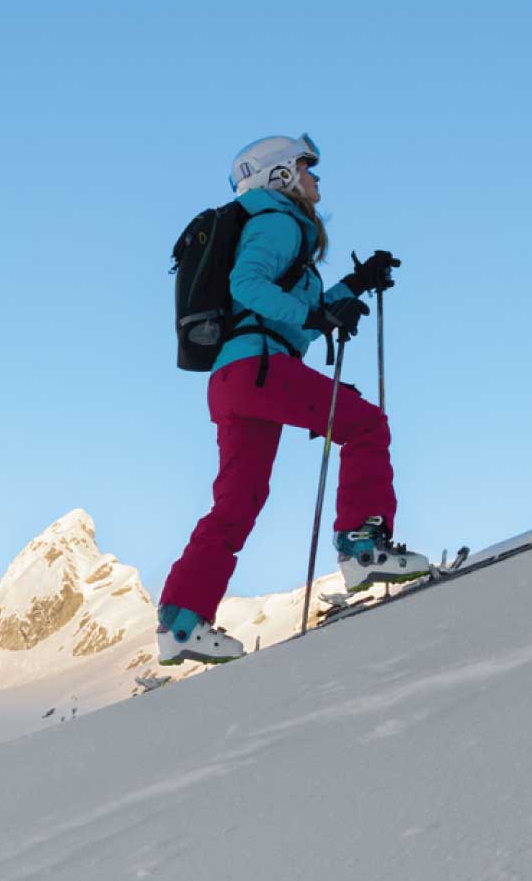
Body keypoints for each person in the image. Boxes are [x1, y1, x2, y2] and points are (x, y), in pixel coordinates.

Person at [156, 134, 427, 667]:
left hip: (234, 378)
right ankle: (363, 547)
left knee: (237, 503)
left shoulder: (270, 225)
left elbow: (291, 305)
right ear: (280, 175)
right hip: (261, 365)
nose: (316, 179)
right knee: (365, 425)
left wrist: (352, 285)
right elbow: (248, 286)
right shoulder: (279, 220)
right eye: (308, 167)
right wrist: (312, 316)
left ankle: (181, 621)